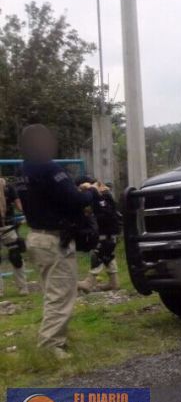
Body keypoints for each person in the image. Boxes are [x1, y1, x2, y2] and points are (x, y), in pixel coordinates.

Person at [17, 124, 101, 359]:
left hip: (36, 237)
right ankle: (50, 347)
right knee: (60, 295)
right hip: (54, 241)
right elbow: (76, 201)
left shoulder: (25, 169)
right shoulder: (49, 168)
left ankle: (55, 339)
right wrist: (93, 191)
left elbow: (51, 197)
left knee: (51, 293)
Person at [76, 176, 122, 293]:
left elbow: (105, 213)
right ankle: (114, 282)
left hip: (107, 232)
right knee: (108, 255)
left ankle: (88, 282)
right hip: (108, 231)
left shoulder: (101, 194)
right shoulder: (102, 193)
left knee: (99, 254)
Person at [0, 177, 29, 297]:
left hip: (8, 225)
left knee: (16, 256)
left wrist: (27, 213)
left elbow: (18, 203)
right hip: (8, 225)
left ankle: (23, 287)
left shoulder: (7, 187)